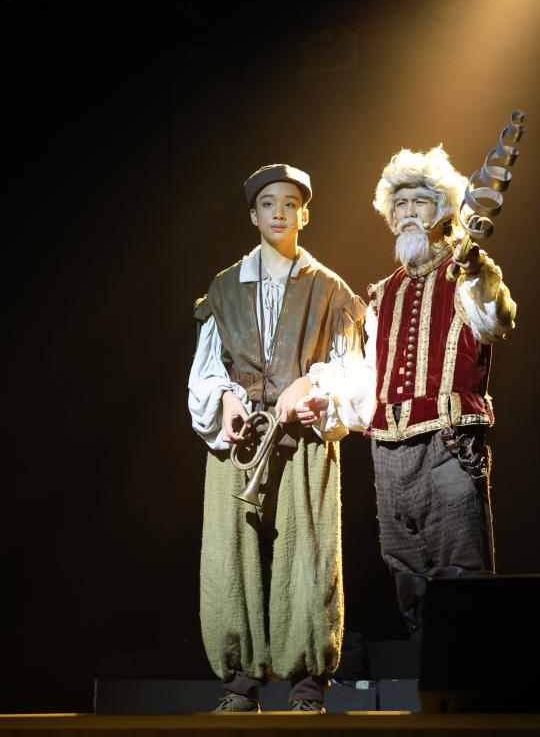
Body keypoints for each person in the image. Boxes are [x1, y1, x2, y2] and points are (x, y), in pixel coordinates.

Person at [303, 145, 517, 654]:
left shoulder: (465, 274)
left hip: (447, 445)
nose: (406, 213)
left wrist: (476, 269)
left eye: (418, 202)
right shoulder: (383, 293)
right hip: (390, 454)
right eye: (398, 205)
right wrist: (331, 404)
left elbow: (496, 320)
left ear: (442, 209)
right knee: (409, 578)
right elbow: (369, 376)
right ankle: (433, 682)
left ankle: (475, 686)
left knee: (461, 571)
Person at [187, 163, 365, 713]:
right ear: (253, 215)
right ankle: (240, 685)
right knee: (231, 553)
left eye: (291, 204)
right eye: (269, 204)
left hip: (304, 437)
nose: (280, 213)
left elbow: (353, 369)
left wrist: (312, 385)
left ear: (304, 215)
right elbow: (206, 368)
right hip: (241, 439)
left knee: (308, 552)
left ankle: (308, 686)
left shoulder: (329, 289)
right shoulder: (224, 288)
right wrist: (225, 400)